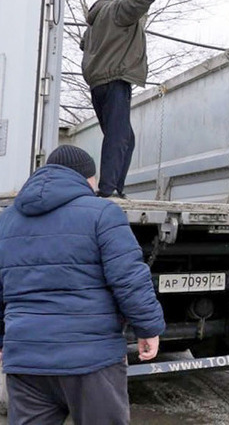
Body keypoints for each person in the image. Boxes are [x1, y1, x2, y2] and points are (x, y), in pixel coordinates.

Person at [0, 145, 165, 424]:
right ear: (87, 178)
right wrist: (148, 327)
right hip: (91, 360)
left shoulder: (7, 220)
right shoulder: (103, 213)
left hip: (27, 359)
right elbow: (128, 278)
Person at [81, 0, 187, 198]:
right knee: (119, 137)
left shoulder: (95, 21)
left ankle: (115, 186)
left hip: (97, 84)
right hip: (115, 79)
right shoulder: (119, 10)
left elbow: (84, 45)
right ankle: (108, 190)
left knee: (124, 136)